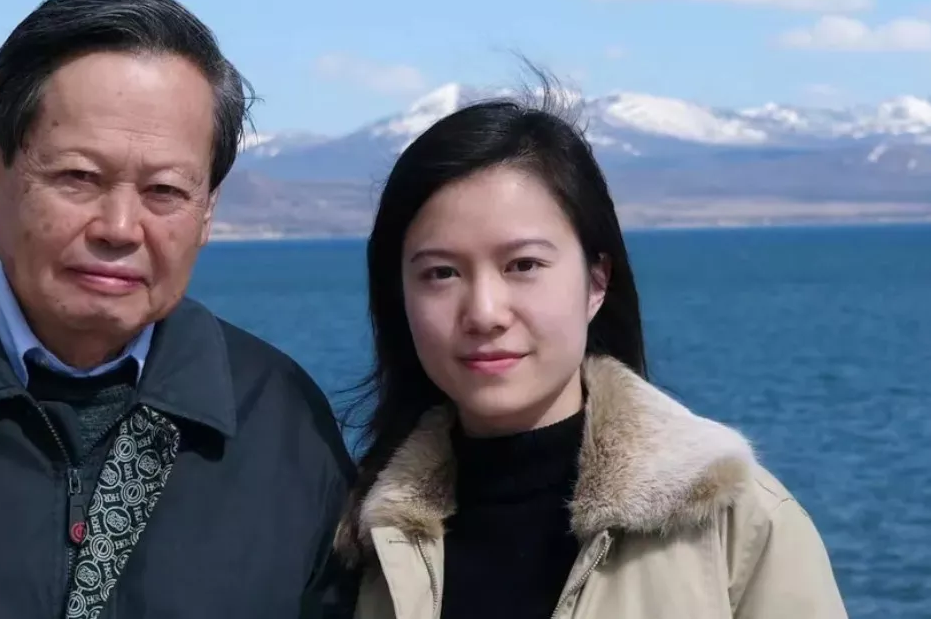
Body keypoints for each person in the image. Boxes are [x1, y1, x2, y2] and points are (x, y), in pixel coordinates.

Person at [0, 0, 355, 619]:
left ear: (209, 208)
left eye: (165, 191)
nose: (119, 228)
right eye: (78, 177)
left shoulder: (282, 423)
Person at [333, 68, 849, 619]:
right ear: (399, 295)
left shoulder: (733, 524)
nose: (484, 312)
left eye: (524, 265)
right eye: (441, 273)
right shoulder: (361, 540)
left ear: (597, 281)